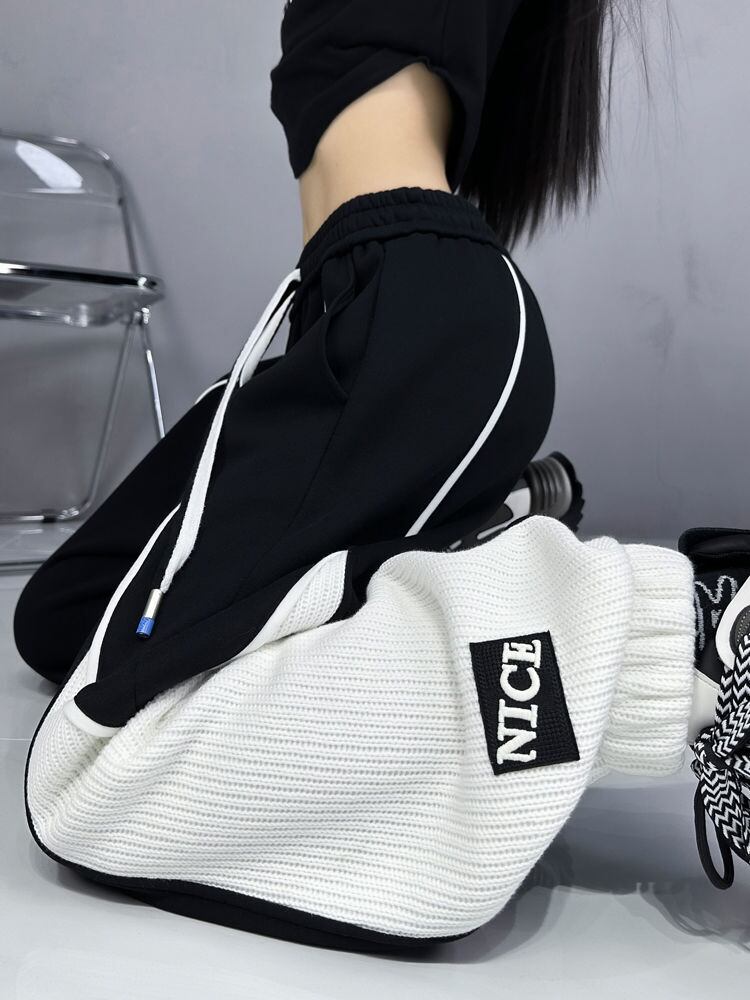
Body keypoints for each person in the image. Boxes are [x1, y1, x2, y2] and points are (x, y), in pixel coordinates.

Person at [17, 0, 750, 946]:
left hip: (412, 312)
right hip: (353, 308)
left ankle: (693, 637)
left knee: (94, 775)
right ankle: (479, 527)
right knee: (63, 616)